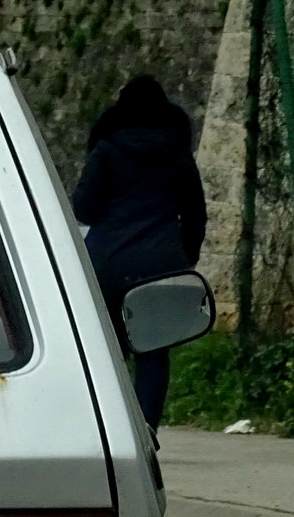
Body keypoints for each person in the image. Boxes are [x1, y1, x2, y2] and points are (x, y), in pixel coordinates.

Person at [71, 75, 207, 433]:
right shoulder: (177, 154)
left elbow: (84, 209)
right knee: (153, 352)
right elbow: (195, 213)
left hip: (108, 264)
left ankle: (112, 433)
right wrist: (185, 257)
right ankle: (146, 433)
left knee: (108, 353)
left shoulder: (106, 152)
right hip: (160, 264)